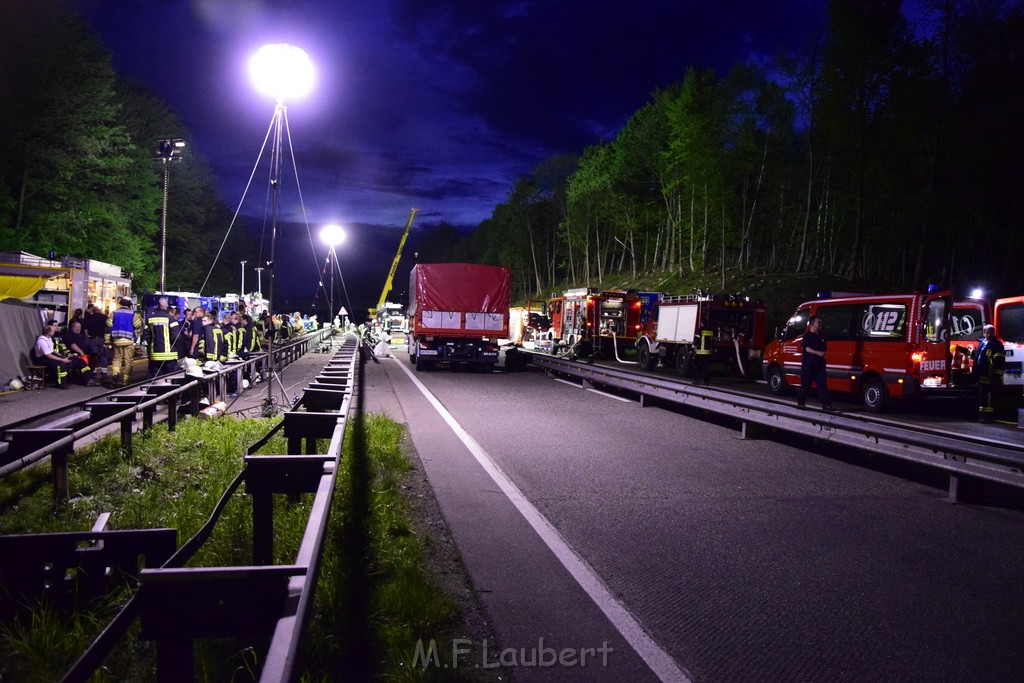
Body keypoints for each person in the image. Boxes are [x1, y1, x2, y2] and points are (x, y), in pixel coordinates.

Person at [35, 320, 99, 388]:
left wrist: (63, 356)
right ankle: (62, 383)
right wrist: (63, 360)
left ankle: (88, 379)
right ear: (48, 332)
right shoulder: (42, 341)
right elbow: (49, 355)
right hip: (44, 358)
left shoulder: (49, 338)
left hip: (53, 356)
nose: (55, 329)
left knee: (79, 361)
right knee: (61, 364)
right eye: (54, 328)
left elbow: (52, 350)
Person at [796, 315, 834, 411]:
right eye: (818, 322)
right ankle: (801, 403)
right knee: (806, 384)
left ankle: (827, 405)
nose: (820, 324)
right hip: (809, 364)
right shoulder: (807, 336)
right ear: (813, 324)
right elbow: (807, 349)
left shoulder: (821, 337)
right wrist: (818, 353)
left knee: (822, 385)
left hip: (820, 364)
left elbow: (824, 349)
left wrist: (823, 355)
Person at [973, 323, 1005, 423]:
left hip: (990, 375)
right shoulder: (981, 343)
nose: (989, 335)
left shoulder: (997, 345)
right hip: (981, 374)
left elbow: (999, 361)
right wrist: (963, 350)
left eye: (991, 333)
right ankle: (982, 415)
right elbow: (976, 355)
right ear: (984, 333)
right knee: (982, 395)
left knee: (988, 396)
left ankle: (988, 417)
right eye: (987, 333)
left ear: (993, 333)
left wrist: (996, 376)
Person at [107, 297, 142, 387]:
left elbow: (108, 325)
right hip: (129, 341)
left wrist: (107, 341)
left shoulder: (114, 313)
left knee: (116, 360)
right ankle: (125, 381)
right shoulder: (132, 314)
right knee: (128, 361)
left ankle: (115, 376)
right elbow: (138, 325)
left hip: (117, 341)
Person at [143, 297, 179, 378]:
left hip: (155, 354)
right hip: (169, 355)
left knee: (156, 378)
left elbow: (146, 335)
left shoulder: (150, 319)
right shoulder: (171, 319)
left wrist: (153, 344)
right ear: (166, 306)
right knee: (171, 377)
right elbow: (176, 336)